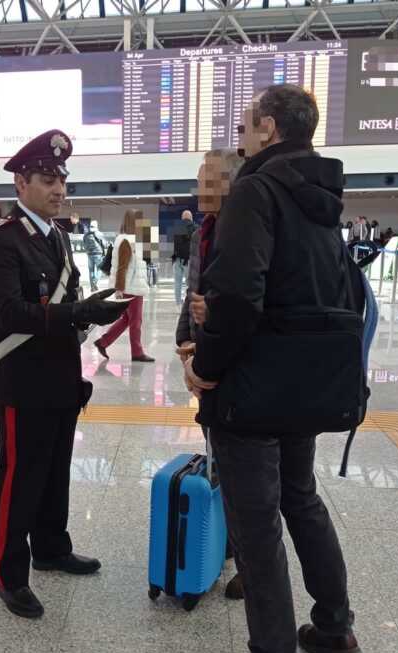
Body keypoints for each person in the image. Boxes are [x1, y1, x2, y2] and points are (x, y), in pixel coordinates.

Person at [185, 84, 361, 653]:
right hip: (307, 381)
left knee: (256, 522)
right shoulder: (323, 199)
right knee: (301, 499)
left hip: (256, 387)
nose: (241, 137)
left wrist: (206, 367)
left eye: (245, 125)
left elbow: (237, 297)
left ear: (265, 126)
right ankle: (334, 627)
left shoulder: (257, 191)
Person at [0, 129, 128, 620]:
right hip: (22, 379)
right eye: (47, 179)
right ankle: (9, 572)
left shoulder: (59, 236)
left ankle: (51, 548)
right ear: (21, 183)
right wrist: (75, 313)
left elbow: (64, 303)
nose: (59, 190)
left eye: (62, 180)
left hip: (62, 373)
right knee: (20, 476)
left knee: (56, 467)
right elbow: (11, 312)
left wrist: (90, 311)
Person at [175, 148, 246, 599]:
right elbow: (193, 294)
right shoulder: (206, 230)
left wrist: (205, 359)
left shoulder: (246, 231)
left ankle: (249, 559)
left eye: (208, 177)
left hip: (237, 365)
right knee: (222, 457)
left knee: (252, 472)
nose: (200, 184)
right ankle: (229, 538)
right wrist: (185, 350)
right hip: (208, 360)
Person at [93, 210, 155, 363]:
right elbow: (122, 267)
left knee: (127, 320)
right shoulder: (127, 241)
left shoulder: (128, 240)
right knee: (136, 321)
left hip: (131, 286)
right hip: (131, 288)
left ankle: (103, 342)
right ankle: (137, 352)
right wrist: (119, 288)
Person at [172, 210, 195, 304]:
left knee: (178, 282)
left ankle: (178, 302)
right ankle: (189, 301)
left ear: (182, 218)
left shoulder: (175, 228)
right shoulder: (195, 228)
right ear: (191, 217)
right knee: (190, 283)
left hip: (177, 260)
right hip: (188, 260)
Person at [82, 220, 107, 291]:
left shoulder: (86, 234)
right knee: (100, 269)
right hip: (98, 254)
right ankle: (95, 283)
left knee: (91, 271)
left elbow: (84, 243)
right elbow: (104, 244)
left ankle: (92, 287)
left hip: (89, 254)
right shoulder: (99, 233)